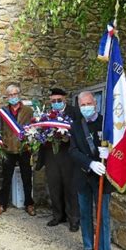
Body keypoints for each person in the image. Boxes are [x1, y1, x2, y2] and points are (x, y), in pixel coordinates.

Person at [69, 91, 111, 250]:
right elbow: (72, 151)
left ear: (95, 103)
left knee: (102, 215)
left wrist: (109, 152)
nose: (86, 107)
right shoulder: (76, 126)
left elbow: (118, 146)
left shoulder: (106, 123)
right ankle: (88, 246)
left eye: (88, 104)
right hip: (83, 174)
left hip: (102, 177)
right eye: (82, 105)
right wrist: (90, 163)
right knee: (85, 214)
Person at [36, 88, 80, 231]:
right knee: (54, 186)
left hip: (68, 156)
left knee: (70, 188)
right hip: (51, 156)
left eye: (58, 101)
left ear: (64, 100)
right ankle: (57, 216)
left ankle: (73, 219)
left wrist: (68, 137)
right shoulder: (47, 115)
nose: (56, 103)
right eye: (53, 101)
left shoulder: (75, 112)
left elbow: (79, 132)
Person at [0, 83, 36, 216]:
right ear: (7, 97)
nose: (13, 97)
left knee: (26, 178)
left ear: (19, 95)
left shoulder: (28, 111)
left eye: (15, 94)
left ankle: (29, 204)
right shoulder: (3, 112)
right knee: (5, 179)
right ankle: (2, 204)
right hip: (8, 149)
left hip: (24, 149)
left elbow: (33, 129)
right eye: (10, 95)